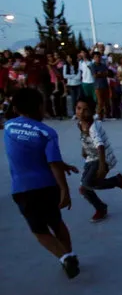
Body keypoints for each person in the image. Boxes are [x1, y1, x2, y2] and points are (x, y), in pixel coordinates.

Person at [3, 88, 81, 279]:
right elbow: (52, 162)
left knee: (39, 230)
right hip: (47, 185)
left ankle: (65, 257)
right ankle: (69, 255)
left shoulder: (8, 126)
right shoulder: (47, 133)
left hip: (22, 188)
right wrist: (64, 189)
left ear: (16, 108)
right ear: (40, 106)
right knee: (56, 221)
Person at [76, 99, 122, 222]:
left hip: (102, 158)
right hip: (91, 158)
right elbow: (84, 137)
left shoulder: (93, 127)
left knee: (88, 184)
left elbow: (100, 146)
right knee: (84, 189)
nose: (81, 112)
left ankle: (117, 180)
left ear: (92, 112)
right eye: (79, 108)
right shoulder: (80, 123)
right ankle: (101, 208)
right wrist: (84, 150)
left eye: (86, 110)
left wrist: (102, 166)